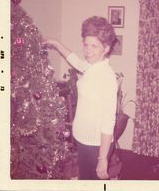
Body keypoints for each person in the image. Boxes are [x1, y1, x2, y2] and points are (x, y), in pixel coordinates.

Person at [44, 16, 118, 180]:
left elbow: (108, 122)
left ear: (105, 48)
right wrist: (56, 44)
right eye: (86, 44)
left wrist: (102, 159)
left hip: (96, 145)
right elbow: (76, 61)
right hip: (85, 140)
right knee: (85, 178)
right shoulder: (93, 67)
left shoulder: (106, 77)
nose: (88, 50)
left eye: (94, 46)